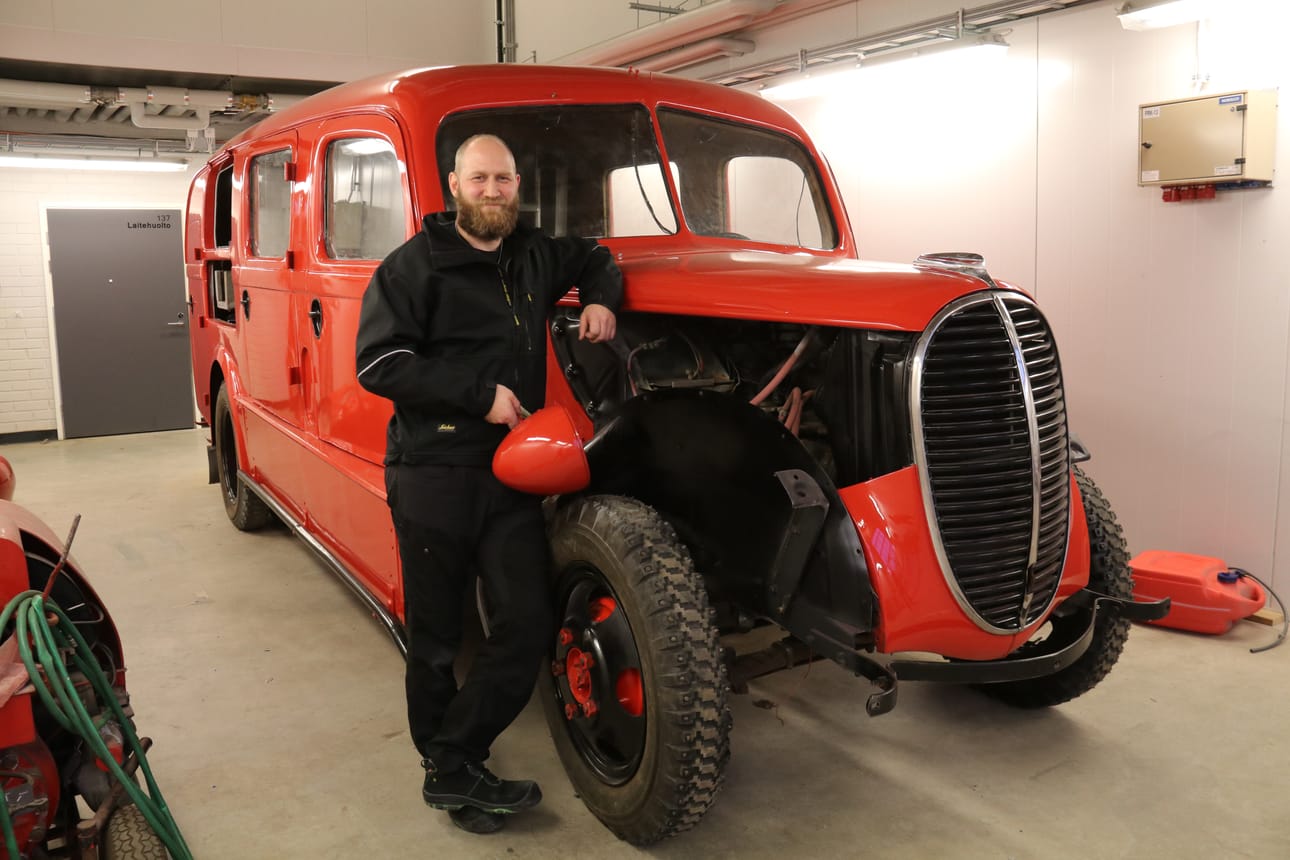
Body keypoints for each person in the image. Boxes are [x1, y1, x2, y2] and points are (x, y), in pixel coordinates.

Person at [355, 134, 622, 834]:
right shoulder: (411, 269)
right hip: (432, 472)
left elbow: (595, 254)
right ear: (454, 184)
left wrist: (601, 300)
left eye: (504, 178)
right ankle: (451, 768)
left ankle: (451, 759)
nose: (494, 190)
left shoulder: (533, 253)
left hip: (512, 475)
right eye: (480, 179)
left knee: (526, 625)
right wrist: (481, 397)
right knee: (438, 636)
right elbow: (380, 363)